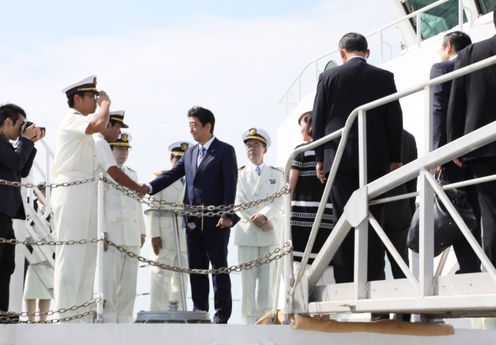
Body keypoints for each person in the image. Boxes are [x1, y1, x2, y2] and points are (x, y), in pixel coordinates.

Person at [312, 32, 403, 284]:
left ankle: (345, 280)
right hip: (375, 160)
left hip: (338, 158)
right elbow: (394, 119)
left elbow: (318, 120)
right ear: (367, 52)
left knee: (342, 219)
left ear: (342, 53)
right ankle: (372, 278)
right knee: (374, 220)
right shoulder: (384, 77)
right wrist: (394, 157)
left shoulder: (328, 77)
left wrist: (320, 158)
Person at [147, 106, 238, 324]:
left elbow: (229, 185)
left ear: (208, 126)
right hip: (192, 222)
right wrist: (148, 187)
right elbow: (172, 174)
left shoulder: (225, 151)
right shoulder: (190, 153)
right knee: (196, 269)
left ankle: (221, 315)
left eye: (195, 125)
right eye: (189, 126)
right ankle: (200, 312)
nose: (192, 130)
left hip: (216, 221)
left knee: (219, 269)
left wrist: (226, 214)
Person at [447, 9, 496, 268]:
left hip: (481, 146)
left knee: (491, 213)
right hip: (482, 145)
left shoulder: (470, 54)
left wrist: (455, 143)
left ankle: (493, 272)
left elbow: (456, 103)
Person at [430, 31, 481, 273]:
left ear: (448, 47)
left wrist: (438, 151)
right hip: (480, 148)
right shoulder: (480, 65)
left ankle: (470, 266)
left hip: (454, 153)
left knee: (457, 210)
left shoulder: (441, 69)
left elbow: (439, 111)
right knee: (480, 208)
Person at [233, 128, 285, 324]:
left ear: (265, 149)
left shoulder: (276, 174)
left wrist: (264, 216)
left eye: (256, 145)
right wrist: (255, 219)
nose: (251, 149)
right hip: (247, 232)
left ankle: (265, 320)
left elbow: (279, 200)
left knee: (267, 282)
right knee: (247, 283)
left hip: (269, 232)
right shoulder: (239, 174)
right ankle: (247, 321)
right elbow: (237, 201)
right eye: (248, 145)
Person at [0, 103, 43, 311]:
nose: (21, 130)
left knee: (7, 264)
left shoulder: (7, 146)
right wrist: (25, 141)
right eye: (21, 125)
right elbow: (16, 163)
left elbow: (22, 170)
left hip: (6, 213)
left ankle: (2, 310)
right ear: (7, 122)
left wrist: (31, 143)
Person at [103, 132, 146, 323]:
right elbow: (100, 203)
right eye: (119, 148)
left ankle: (125, 319)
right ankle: (109, 319)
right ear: (110, 150)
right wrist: (101, 230)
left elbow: (137, 204)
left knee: (129, 283)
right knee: (109, 282)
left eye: (126, 149)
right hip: (112, 233)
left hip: (131, 233)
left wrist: (142, 231)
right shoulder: (104, 173)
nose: (123, 153)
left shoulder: (132, 174)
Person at [147, 141, 190, 312]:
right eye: (177, 158)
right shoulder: (161, 179)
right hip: (164, 235)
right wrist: (154, 235)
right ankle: (157, 312)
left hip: (185, 235)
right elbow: (152, 209)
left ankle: (178, 312)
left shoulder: (194, 180)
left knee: (182, 276)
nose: (179, 162)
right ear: (171, 159)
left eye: (183, 159)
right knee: (160, 274)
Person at [289, 112, 334, 265]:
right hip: (328, 216)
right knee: (325, 264)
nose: (301, 131)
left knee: (300, 264)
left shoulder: (301, 151)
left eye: (302, 127)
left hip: (303, 217)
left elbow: (291, 185)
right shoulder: (331, 150)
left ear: (309, 126)